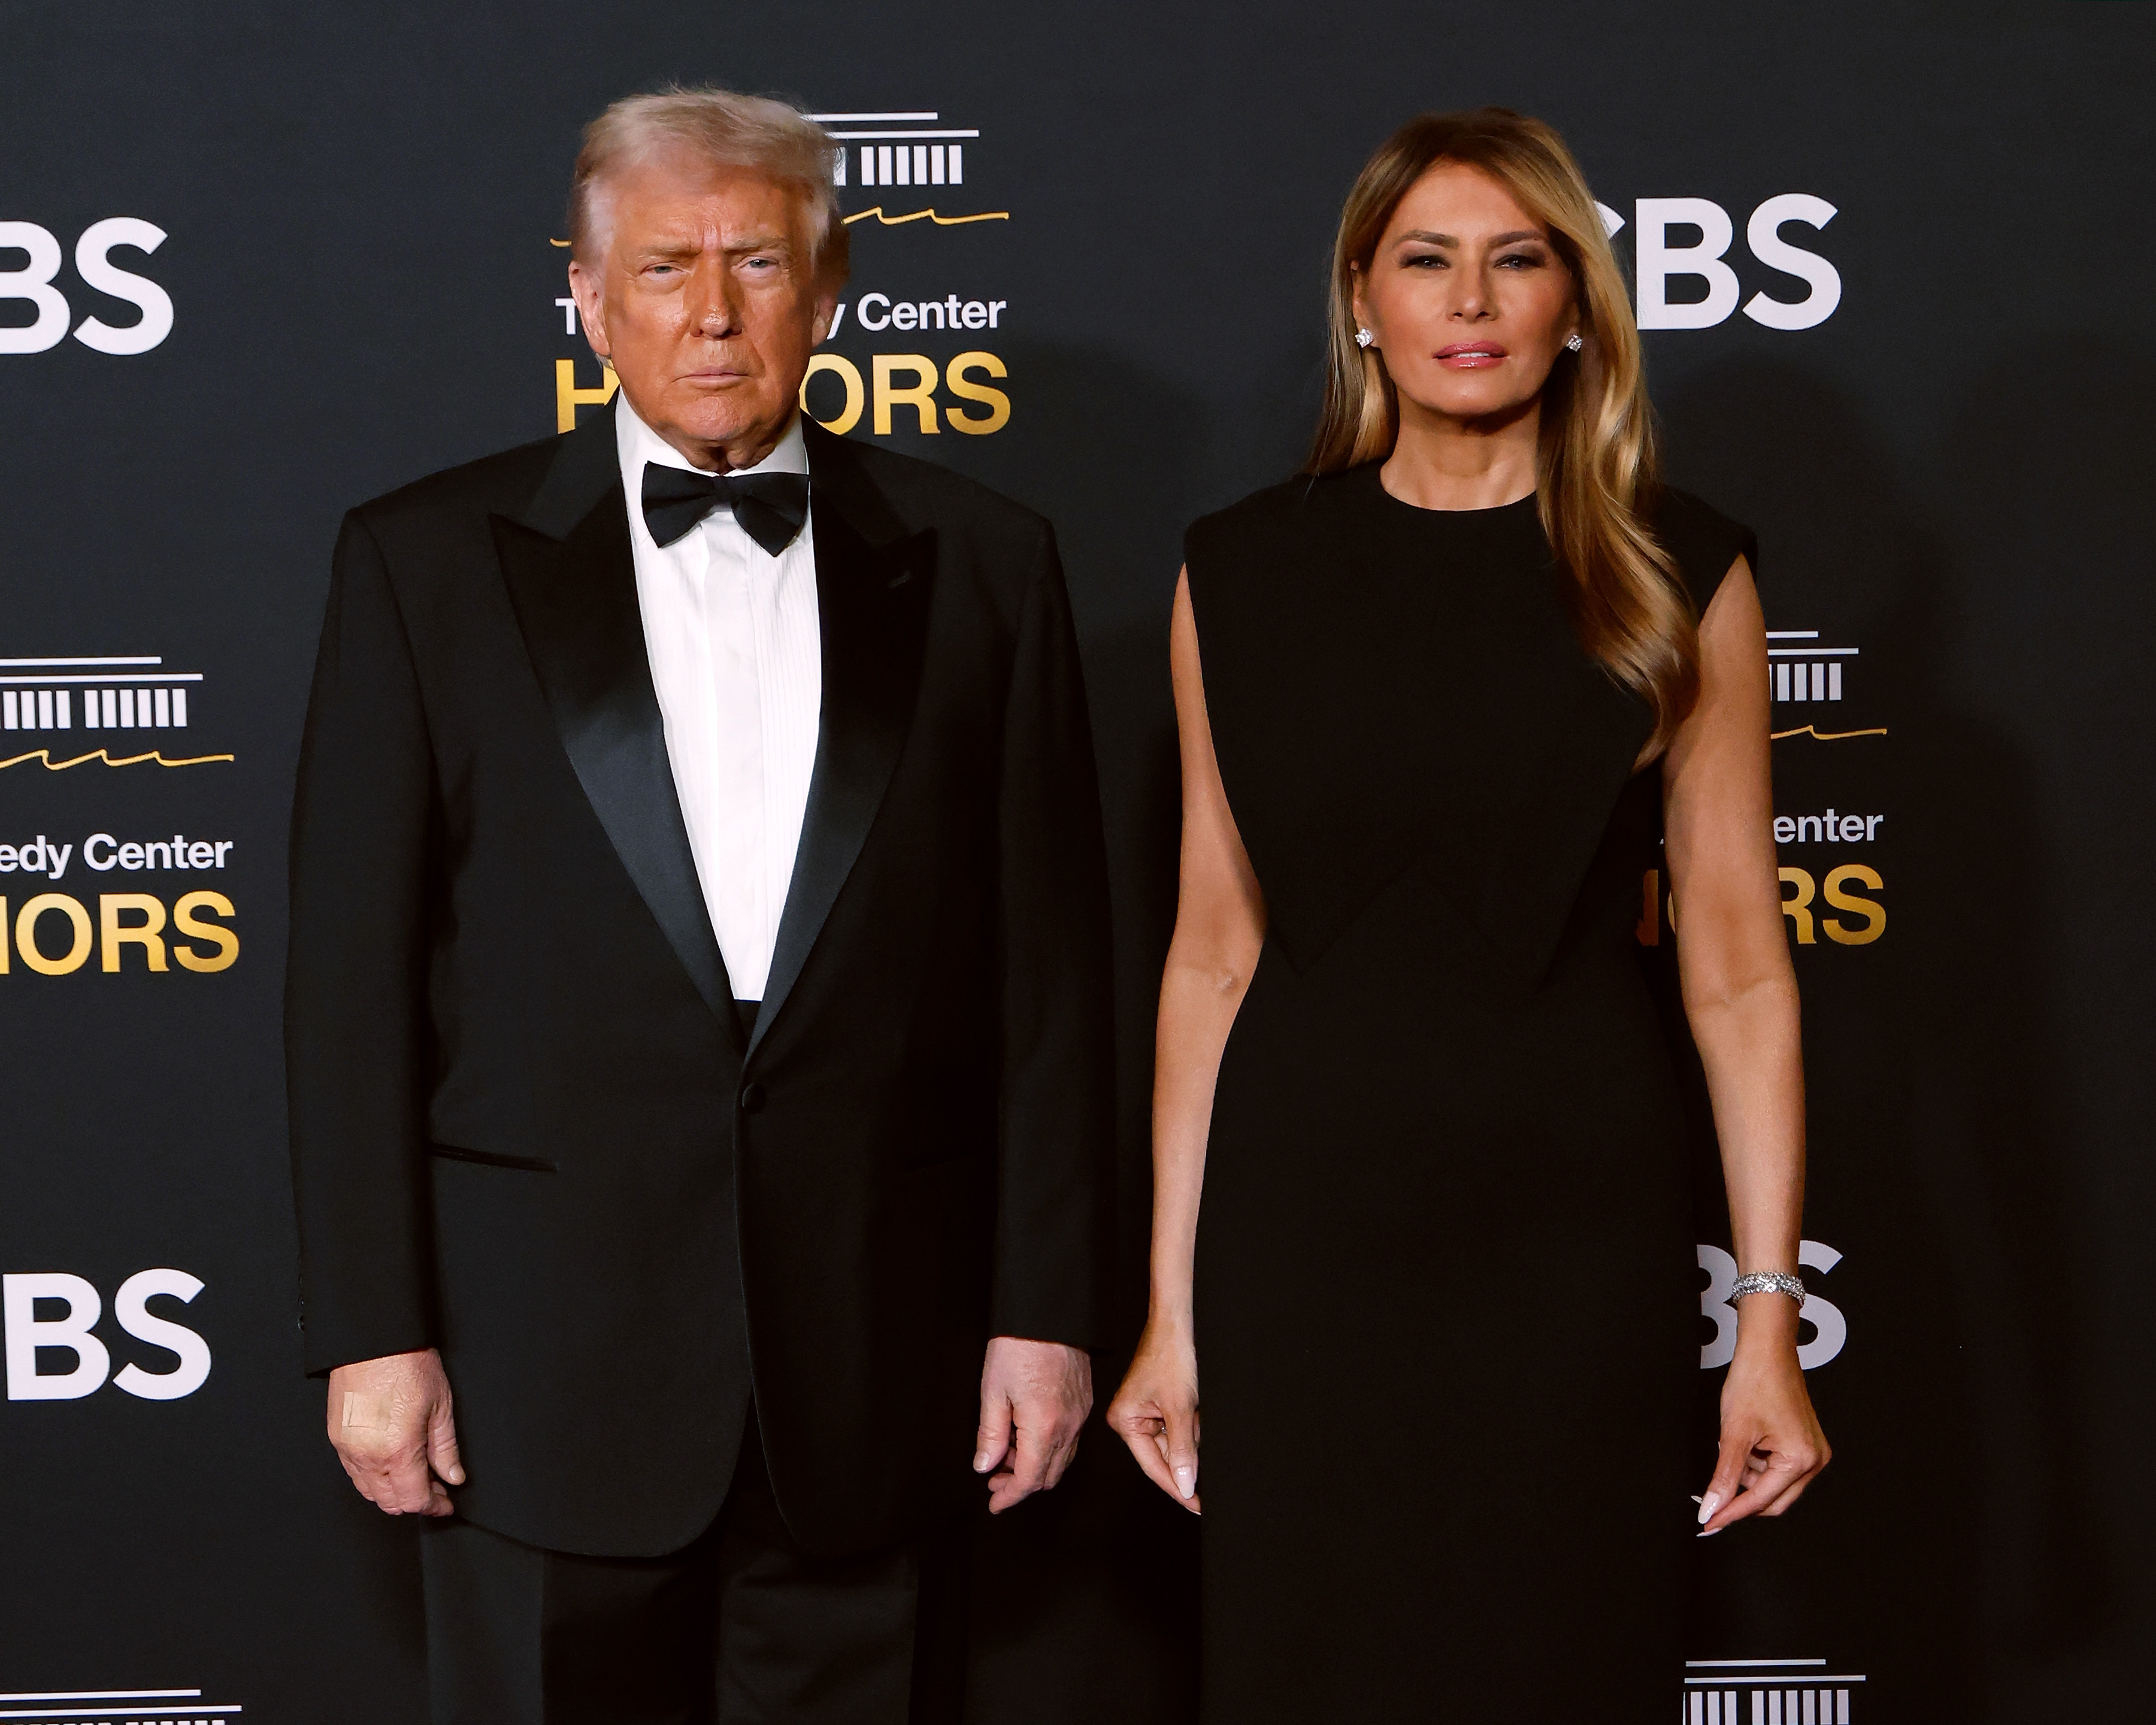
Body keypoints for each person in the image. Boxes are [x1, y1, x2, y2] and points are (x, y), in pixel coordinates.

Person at [284, 86, 1114, 1724]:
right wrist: (372, 1332)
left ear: (829, 289)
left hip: (881, 1361)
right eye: (665, 267)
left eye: (755, 262)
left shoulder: (988, 559)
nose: (714, 311)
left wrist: (1045, 1312)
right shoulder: (425, 563)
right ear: (588, 301)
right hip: (539, 1371)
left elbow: (1052, 980)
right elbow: (350, 984)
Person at [1107, 108, 1830, 1718]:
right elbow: (1212, 952)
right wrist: (1171, 1308)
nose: (1473, 300)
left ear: (1577, 307)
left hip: (1576, 1229)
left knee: (1564, 1661)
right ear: (1363, 301)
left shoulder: (1672, 569)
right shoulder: (1237, 569)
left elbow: (1736, 974)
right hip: (1303, 1234)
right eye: (1426, 260)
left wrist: (1766, 1320)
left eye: (1518, 261)